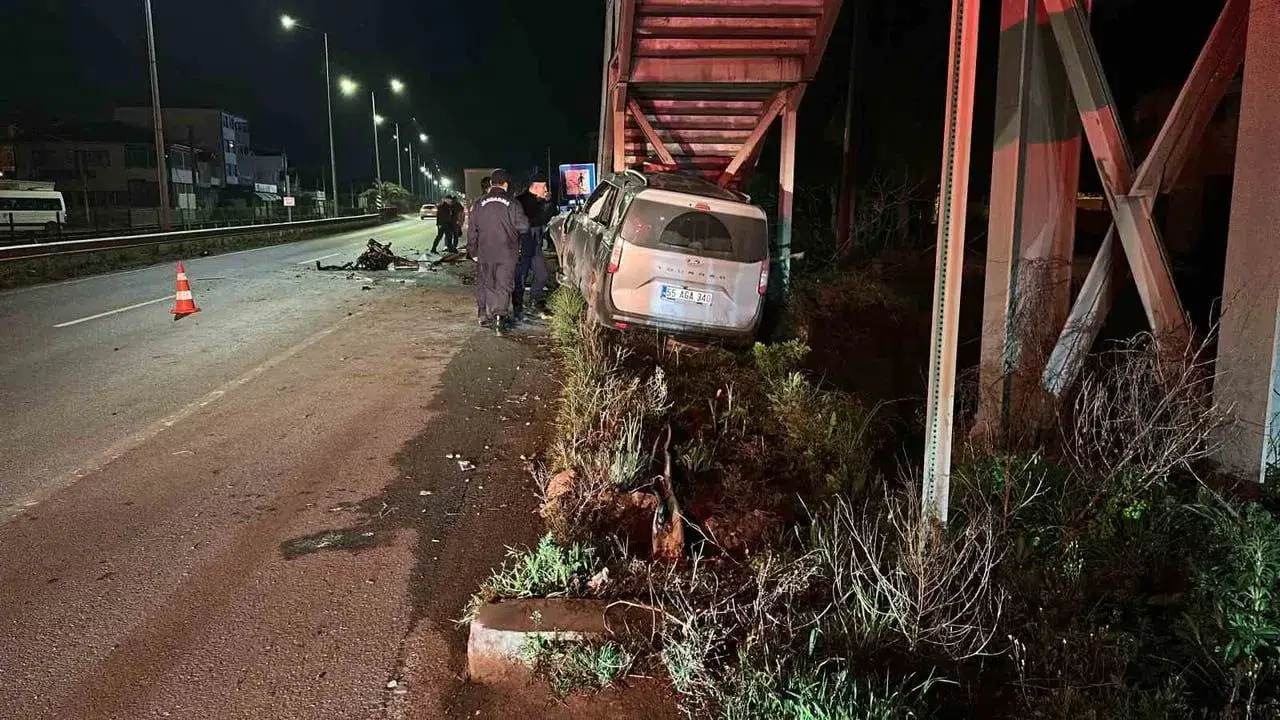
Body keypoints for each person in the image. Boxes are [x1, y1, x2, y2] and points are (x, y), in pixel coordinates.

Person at [466, 169, 529, 334]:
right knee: (504, 284)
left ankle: (483, 314)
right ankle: (499, 320)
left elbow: (472, 230)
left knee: (486, 281)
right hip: (507, 252)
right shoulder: (513, 203)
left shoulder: (479, 203)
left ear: (491, 184)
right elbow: (524, 226)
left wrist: (472, 250)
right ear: (505, 184)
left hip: (485, 251)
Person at [513, 174, 553, 320]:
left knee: (542, 275)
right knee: (520, 279)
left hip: (535, 245)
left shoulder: (540, 201)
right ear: (535, 186)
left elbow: (545, 219)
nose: (546, 189)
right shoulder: (520, 201)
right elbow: (527, 222)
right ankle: (517, 308)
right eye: (544, 186)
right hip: (523, 245)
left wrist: (546, 204)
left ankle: (534, 302)